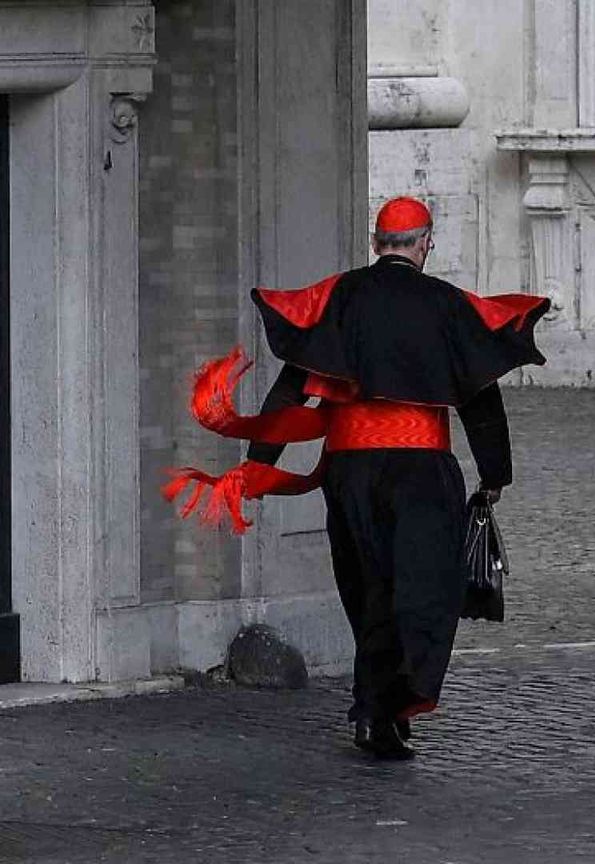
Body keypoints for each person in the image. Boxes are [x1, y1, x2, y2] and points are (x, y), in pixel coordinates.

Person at [163, 196, 549, 760]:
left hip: (351, 472)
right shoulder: (445, 304)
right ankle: (390, 706)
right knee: (421, 591)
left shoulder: (341, 297)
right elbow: (478, 395)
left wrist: (257, 463)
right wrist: (494, 476)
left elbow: (291, 387)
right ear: (425, 244)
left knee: (369, 590)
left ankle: (373, 711)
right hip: (420, 470)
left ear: (376, 244)